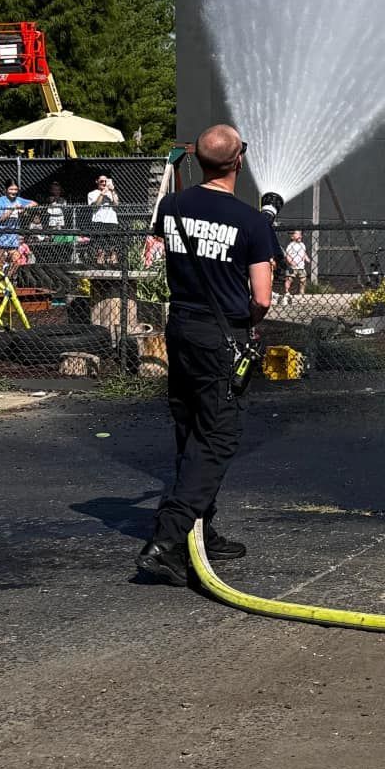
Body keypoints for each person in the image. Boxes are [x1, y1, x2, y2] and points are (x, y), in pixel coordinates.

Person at [135, 124, 276, 587]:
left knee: (189, 426)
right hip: (222, 335)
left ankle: (201, 528)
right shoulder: (252, 222)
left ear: (197, 160)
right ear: (240, 161)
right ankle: (167, 540)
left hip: (181, 328)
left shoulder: (171, 205)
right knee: (217, 436)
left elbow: (168, 256)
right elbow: (262, 299)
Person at [0, 180, 33, 255]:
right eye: (11, 189)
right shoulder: (0, 200)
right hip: (1, 237)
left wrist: (23, 208)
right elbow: (1, 219)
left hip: (13, 237)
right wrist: (12, 209)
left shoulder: (18, 200)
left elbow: (34, 203)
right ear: (6, 190)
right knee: (0, 261)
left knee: (16, 260)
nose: (13, 192)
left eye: (15, 189)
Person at [87, 174, 120, 266]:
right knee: (100, 248)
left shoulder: (111, 193)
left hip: (112, 221)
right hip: (99, 221)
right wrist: (102, 193)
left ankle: (113, 266)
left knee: (113, 247)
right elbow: (95, 206)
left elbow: (116, 204)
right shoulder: (92, 194)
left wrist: (112, 191)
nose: (104, 183)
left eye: (106, 181)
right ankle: (100, 266)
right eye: (102, 181)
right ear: (97, 181)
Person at [283, 228, 310, 297]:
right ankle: (287, 291)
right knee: (289, 279)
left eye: (300, 234)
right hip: (292, 267)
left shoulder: (302, 245)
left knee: (303, 279)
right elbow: (287, 255)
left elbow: (304, 252)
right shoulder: (290, 246)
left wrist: (306, 258)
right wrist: (291, 262)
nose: (300, 235)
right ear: (292, 237)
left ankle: (302, 292)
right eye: (297, 234)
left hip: (301, 266)